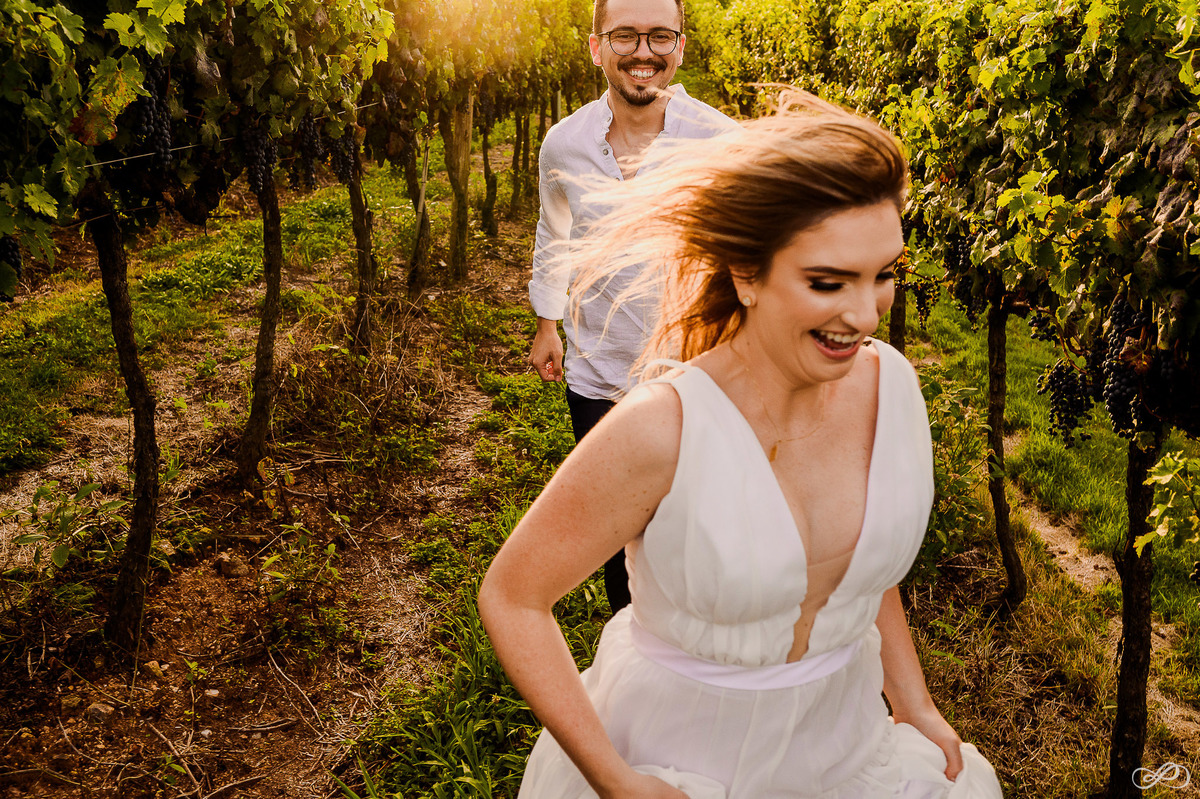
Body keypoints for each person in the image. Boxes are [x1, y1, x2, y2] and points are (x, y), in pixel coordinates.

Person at [480, 93, 1005, 798]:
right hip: (686, 761)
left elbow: (866, 572)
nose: (863, 312)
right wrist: (616, 781)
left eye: (883, 274)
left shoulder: (894, 386)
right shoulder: (663, 428)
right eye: (828, 281)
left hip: (845, 748)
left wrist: (913, 703)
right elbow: (513, 596)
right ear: (746, 273)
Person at [526, 0, 736, 613]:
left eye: (658, 36)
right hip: (601, 373)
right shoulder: (563, 144)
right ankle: (634, 655)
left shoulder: (719, 141)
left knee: (698, 532)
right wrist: (548, 324)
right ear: (597, 47)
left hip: (698, 377)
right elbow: (553, 234)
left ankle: (703, 654)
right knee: (617, 535)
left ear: (680, 45)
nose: (642, 52)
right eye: (624, 35)